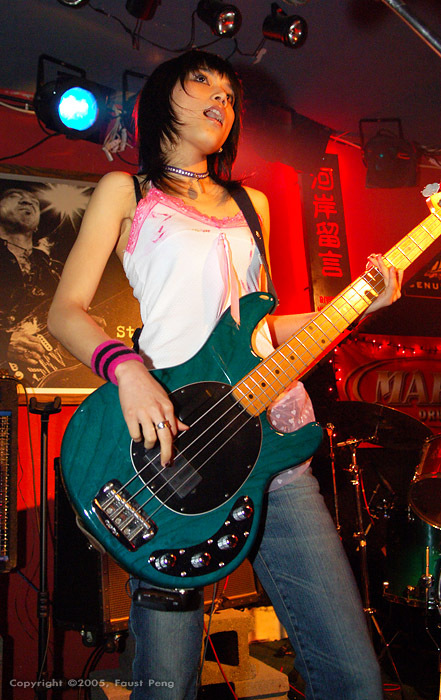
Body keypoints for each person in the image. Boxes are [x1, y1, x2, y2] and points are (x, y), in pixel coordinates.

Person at [48, 50, 403, 699]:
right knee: (167, 687)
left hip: (273, 446)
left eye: (231, 94)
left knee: (354, 680)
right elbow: (64, 312)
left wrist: (358, 305)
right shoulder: (127, 193)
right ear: (162, 95)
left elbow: (258, 331)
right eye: (204, 83)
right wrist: (126, 370)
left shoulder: (253, 204)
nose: (222, 98)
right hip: (176, 450)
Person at [0, 187, 62, 381]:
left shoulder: (54, 269)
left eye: (34, 202)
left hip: (41, 378)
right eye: (14, 196)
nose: (27, 201)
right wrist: (4, 343)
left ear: (37, 226)